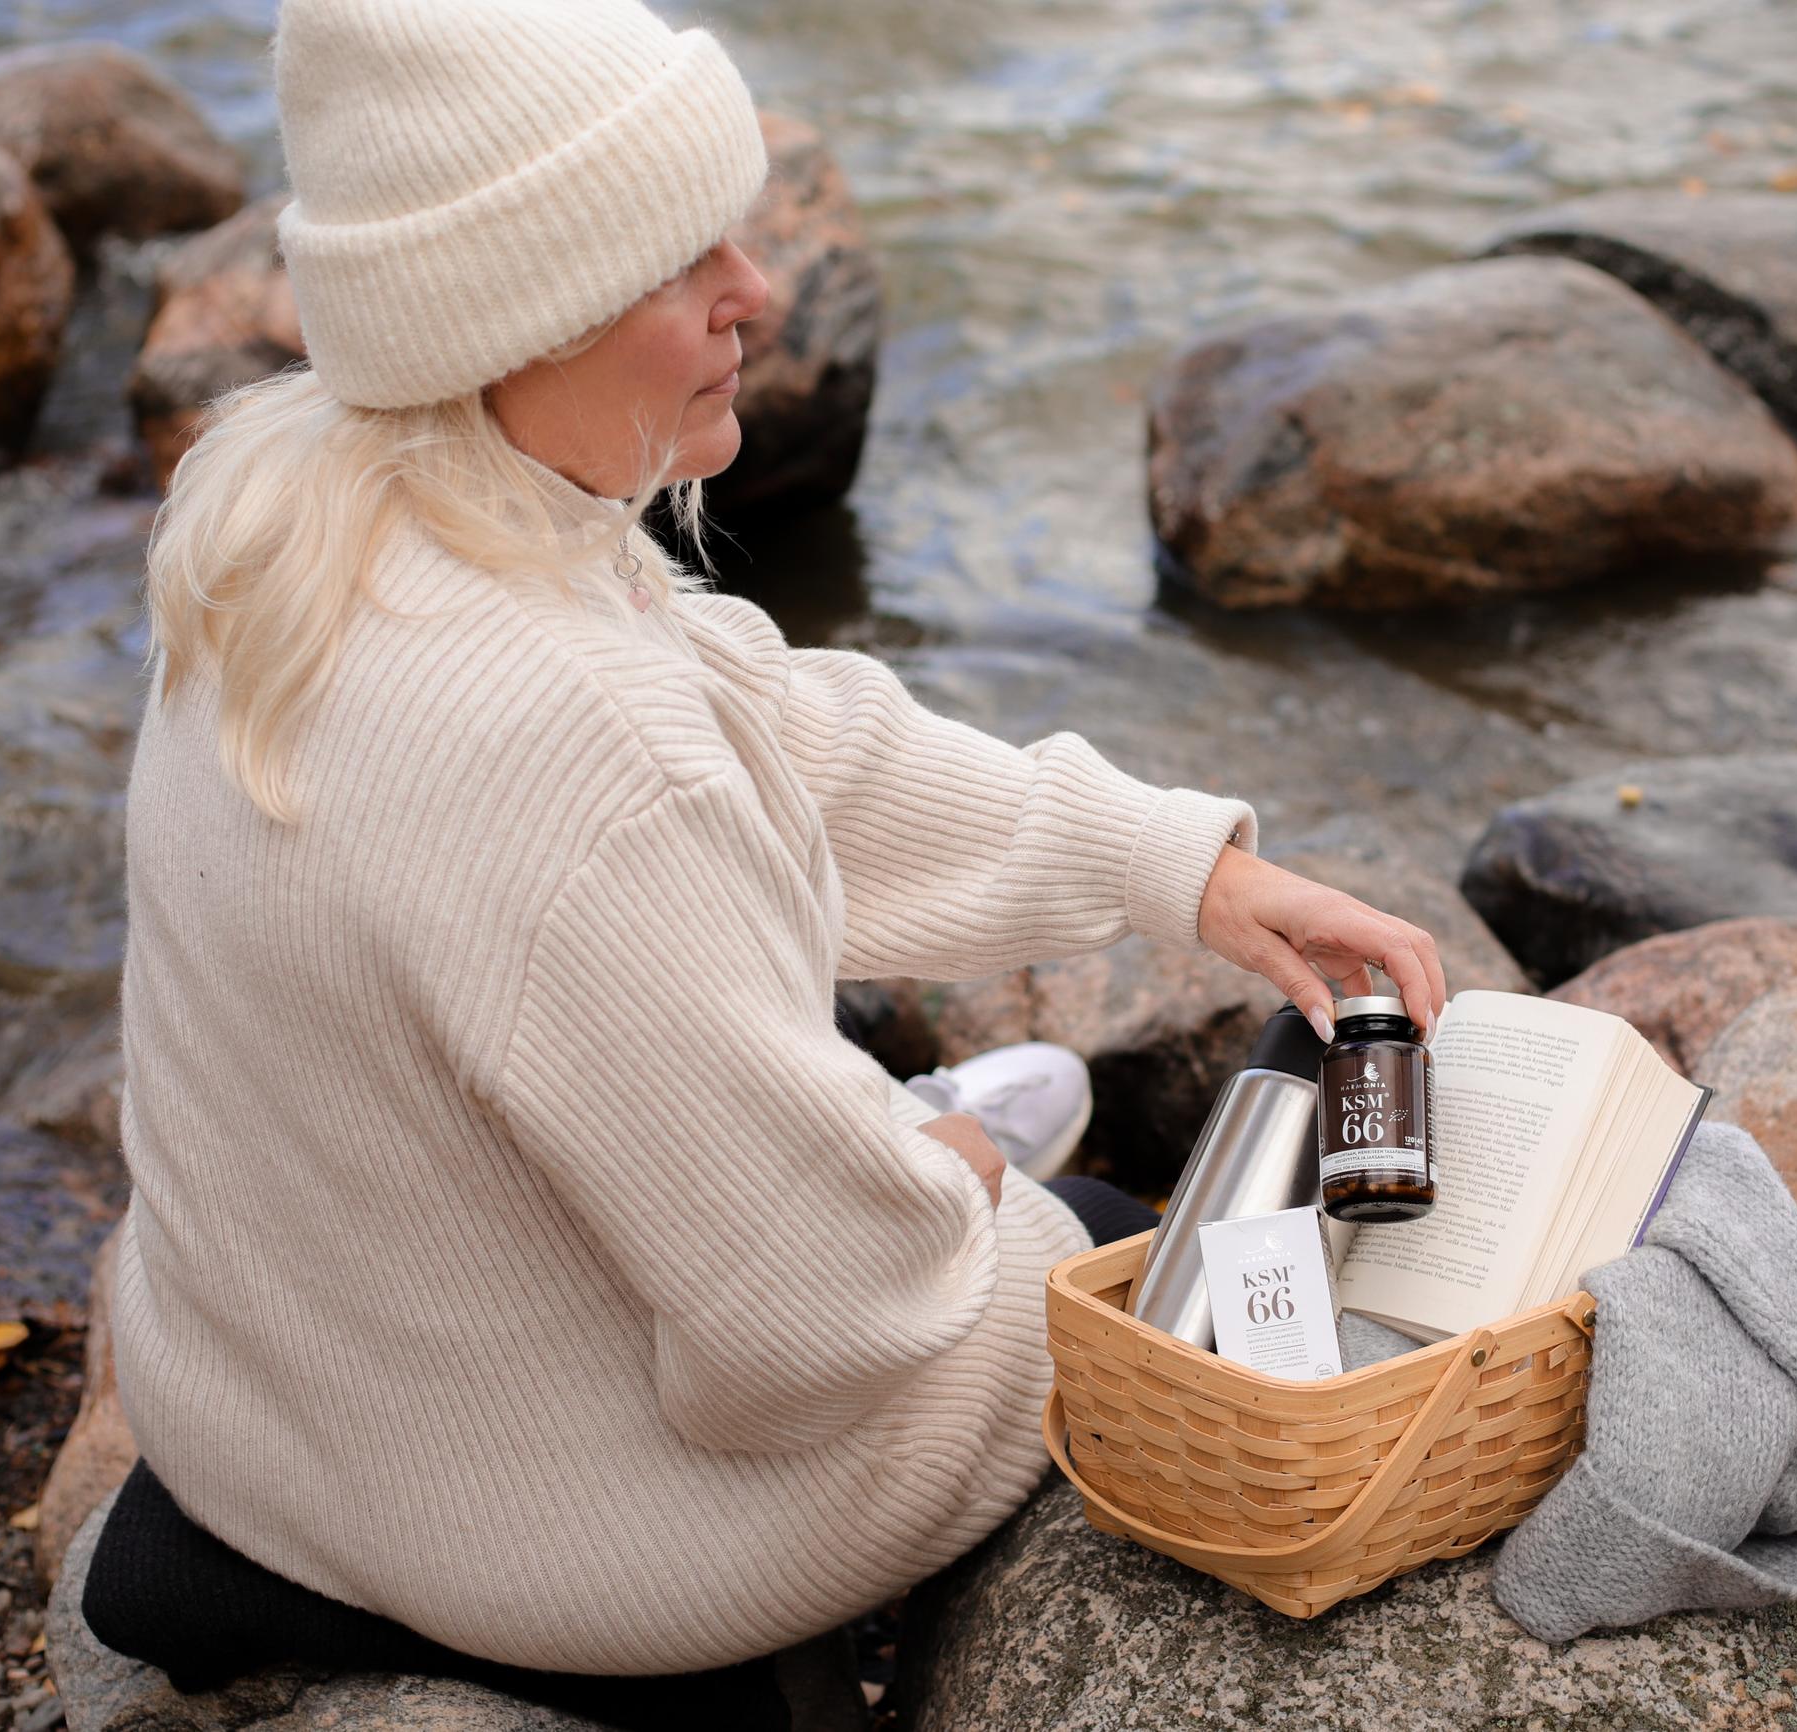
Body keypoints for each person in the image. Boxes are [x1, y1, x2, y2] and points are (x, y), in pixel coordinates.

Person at [84, 0, 1449, 1724]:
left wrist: (1183, 871)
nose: (762, 291)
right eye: (682, 262)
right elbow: (808, 1338)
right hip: (536, 1530)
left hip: (272, 1398)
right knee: (1112, 1247)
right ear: (515, 314)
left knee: (884, 1135)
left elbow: (771, 729)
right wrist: (945, 1170)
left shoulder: (289, 509)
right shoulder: (570, 745)